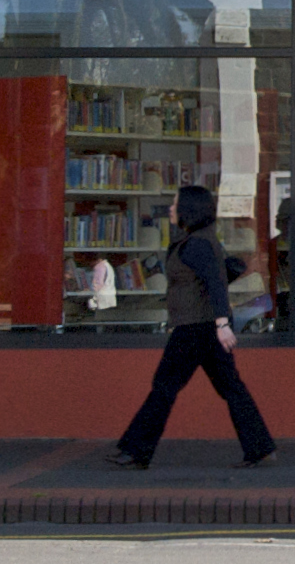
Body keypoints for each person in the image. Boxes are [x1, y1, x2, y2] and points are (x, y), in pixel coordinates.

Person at [105, 184, 277, 470]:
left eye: (175, 204)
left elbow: (215, 283)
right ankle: (259, 447)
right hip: (203, 326)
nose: (170, 209)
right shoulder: (200, 240)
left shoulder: (197, 244)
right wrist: (219, 324)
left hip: (196, 328)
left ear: (189, 210)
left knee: (164, 386)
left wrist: (222, 323)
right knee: (231, 387)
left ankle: (136, 450)